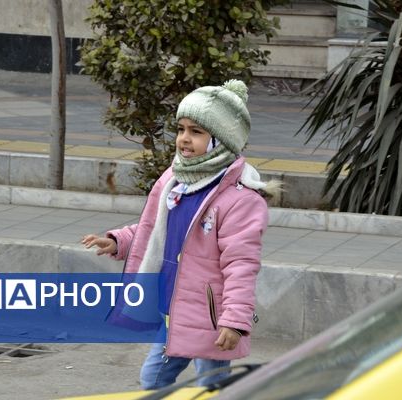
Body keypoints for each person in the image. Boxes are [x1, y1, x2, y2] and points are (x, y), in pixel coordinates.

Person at [82, 79, 275, 390]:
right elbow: (154, 232)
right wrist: (118, 240)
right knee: (152, 380)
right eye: (181, 129)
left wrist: (235, 320)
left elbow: (242, 265)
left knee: (212, 385)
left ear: (222, 141)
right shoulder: (175, 178)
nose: (184, 139)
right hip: (173, 310)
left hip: (211, 318)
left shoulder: (240, 200)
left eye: (196, 132)